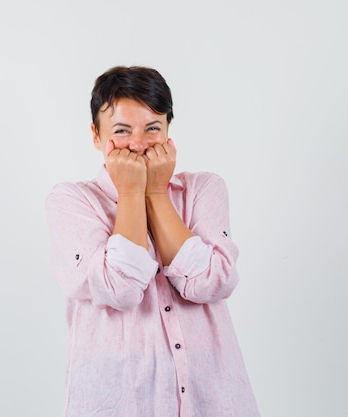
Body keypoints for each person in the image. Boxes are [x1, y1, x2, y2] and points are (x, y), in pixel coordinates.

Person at [45, 65, 260, 417]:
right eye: (121, 130)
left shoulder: (203, 189)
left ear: (169, 131)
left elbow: (212, 282)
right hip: (117, 397)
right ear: (96, 136)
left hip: (213, 396)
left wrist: (157, 191)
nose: (139, 143)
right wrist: (131, 192)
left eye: (152, 128)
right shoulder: (72, 201)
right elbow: (119, 288)